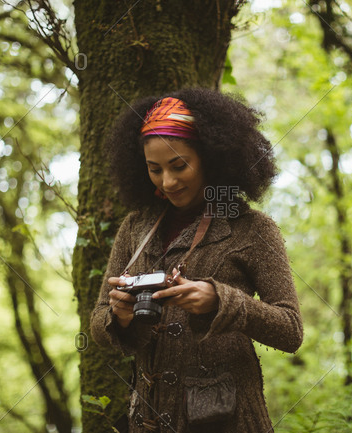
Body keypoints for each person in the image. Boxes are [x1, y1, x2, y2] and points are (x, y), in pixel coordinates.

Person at [90, 88, 303, 433]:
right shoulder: (136, 226)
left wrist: (221, 300)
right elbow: (98, 325)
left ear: (210, 157)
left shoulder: (251, 229)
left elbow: (291, 330)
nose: (167, 182)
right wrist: (119, 315)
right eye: (154, 169)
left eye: (179, 166)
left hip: (227, 421)